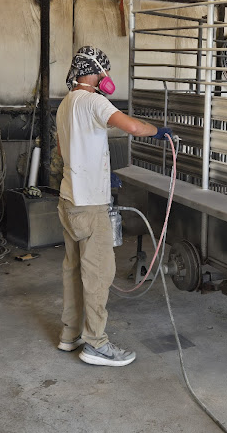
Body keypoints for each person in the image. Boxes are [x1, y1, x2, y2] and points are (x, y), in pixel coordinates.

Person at [56, 46, 172, 366]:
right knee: (98, 274)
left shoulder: (67, 103)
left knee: (73, 269)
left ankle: (70, 334)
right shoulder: (94, 100)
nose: (108, 79)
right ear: (97, 72)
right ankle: (96, 343)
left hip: (69, 200)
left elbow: (62, 147)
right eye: (105, 72)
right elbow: (132, 127)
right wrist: (158, 131)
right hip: (90, 206)